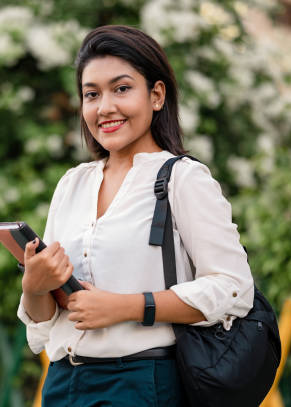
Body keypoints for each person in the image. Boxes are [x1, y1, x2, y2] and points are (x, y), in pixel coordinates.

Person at [17, 25, 254, 406]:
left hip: (143, 384)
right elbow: (45, 324)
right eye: (91, 94)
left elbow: (233, 288)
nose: (105, 107)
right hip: (63, 385)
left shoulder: (182, 179)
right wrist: (35, 285)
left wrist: (126, 307)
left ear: (156, 95)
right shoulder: (72, 185)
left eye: (121, 89)